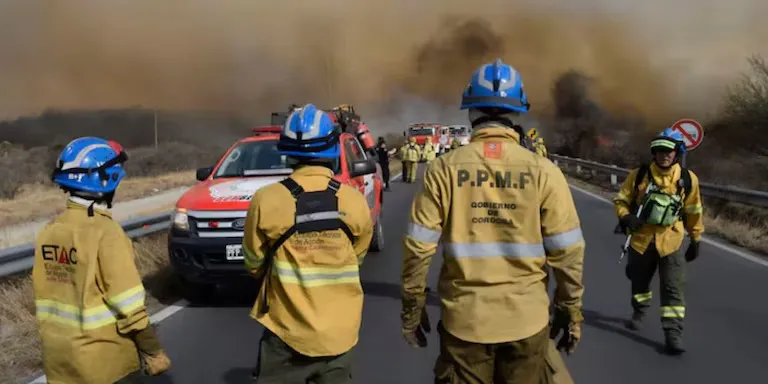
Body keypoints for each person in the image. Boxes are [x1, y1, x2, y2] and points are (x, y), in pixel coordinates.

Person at [401, 58, 585, 383]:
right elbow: (568, 251)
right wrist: (569, 309)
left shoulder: (442, 169)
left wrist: (413, 306)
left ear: (471, 111)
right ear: (517, 114)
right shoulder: (544, 172)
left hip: (466, 323)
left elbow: (418, 247)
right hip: (527, 322)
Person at [243, 103, 374, 383]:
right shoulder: (353, 200)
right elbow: (358, 256)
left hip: (285, 334)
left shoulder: (266, 199)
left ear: (287, 152)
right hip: (340, 334)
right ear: (331, 150)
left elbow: (253, 262)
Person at [34, 137, 171, 384]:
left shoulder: (49, 231)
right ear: (105, 180)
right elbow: (128, 304)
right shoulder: (106, 232)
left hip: (59, 363)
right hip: (105, 364)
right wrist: (152, 350)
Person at [612, 128, 704, 355]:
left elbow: (694, 210)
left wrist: (696, 239)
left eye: (668, 151)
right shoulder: (639, 175)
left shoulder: (687, 179)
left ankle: (673, 334)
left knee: (673, 289)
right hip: (641, 241)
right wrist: (625, 217)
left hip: (672, 241)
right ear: (653, 153)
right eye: (659, 151)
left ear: (676, 153)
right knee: (639, 284)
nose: (664, 155)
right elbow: (621, 199)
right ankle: (640, 310)